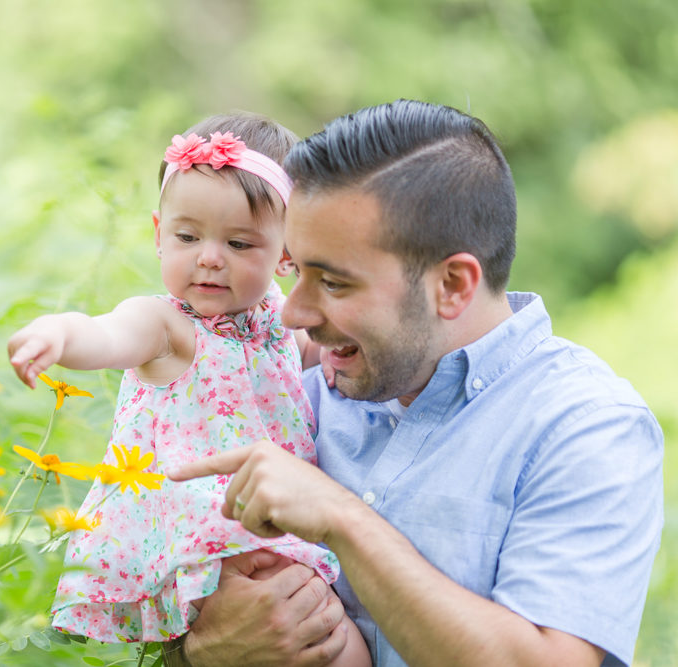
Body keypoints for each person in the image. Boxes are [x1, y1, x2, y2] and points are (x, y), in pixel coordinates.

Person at [169, 100, 664, 667]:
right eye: (295, 270)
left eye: (332, 282)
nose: (292, 314)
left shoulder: (585, 427)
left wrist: (344, 519)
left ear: (452, 284)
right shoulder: (286, 387)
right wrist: (201, 651)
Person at [7, 112, 371, 665]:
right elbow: (105, 334)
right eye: (187, 236)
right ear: (158, 234)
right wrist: (59, 332)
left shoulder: (281, 321)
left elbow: (338, 352)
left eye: (240, 243)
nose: (208, 257)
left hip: (276, 525)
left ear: (287, 252)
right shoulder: (166, 325)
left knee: (339, 648)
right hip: (199, 543)